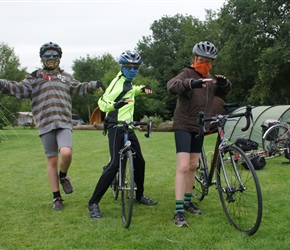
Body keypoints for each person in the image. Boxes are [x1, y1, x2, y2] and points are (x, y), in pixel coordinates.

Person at [0, 42, 105, 211]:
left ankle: (63, 176)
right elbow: (19, 89)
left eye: (54, 56)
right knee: (52, 159)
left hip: (63, 121)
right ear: (42, 58)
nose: (51, 59)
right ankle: (56, 197)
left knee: (66, 152)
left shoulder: (65, 77)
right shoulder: (34, 78)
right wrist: (3, 84)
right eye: (48, 56)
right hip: (45, 122)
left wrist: (94, 84)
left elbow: (79, 88)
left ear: (59, 58)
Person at [167, 41, 232, 227]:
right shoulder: (187, 73)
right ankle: (178, 211)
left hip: (200, 126)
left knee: (194, 165)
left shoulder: (210, 78)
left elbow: (224, 90)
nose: (206, 64)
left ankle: (187, 202)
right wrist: (191, 83)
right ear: (195, 59)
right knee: (183, 166)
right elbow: (171, 86)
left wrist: (224, 83)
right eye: (202, 60)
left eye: (209, 61)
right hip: (183, 125)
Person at [88, 50, 157, 220]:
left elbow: (131, 90)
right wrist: (115, 105)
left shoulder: (127, 82)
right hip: (115, 127)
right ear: (123, 67)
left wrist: (142, 89)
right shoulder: (117, 83)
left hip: (129, 127)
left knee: (140, 161)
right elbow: (102, 103)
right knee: (114, 165)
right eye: (129, 67)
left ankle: (139, 195)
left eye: (136, 67)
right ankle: (93, 203)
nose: (133, 70)